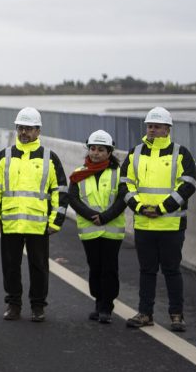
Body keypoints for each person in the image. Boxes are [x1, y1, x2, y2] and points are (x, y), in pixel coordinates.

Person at [0, 107, 67, 323]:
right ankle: (13, 305)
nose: (24, 132)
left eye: (29, 128)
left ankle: (38, 306)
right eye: (21, 128)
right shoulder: (4, 157)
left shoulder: (50, 158)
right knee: (10, 267)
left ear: (38, 131)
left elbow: (60, 191)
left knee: (39, 268)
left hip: (38, 225)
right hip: (10, 224)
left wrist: (56, 222)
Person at [122, 107, 196, 332]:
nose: (152, 130)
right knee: (147, 270)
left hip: (171, 223)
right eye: (150, 126)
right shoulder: (135, 153)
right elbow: (125, 183)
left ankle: (176, 315)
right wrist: (139, 206)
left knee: (172, 270)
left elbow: (189, 184)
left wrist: (163, 207)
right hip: (144, 222)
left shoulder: (181, 153)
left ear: (167, 128)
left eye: (157, 126)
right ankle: (145, 313)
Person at [67, 130, 126, 325]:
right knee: (95, 268)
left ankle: (106, 307)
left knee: (109, 269)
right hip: (90, 229)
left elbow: (123, 199)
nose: (96, 153)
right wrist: (91, 216)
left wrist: (105, 217)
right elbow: (73, 199)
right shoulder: (78, 174)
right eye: (93, 148)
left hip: (111, 229)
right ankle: (98, 301)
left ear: (109, 152)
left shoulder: (119, 174)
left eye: (101, 150)